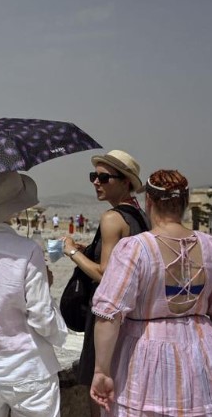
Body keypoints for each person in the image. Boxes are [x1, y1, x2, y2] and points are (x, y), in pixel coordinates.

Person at [90, 169, 212, 415]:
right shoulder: (208, 245)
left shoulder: (135, 248)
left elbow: (108, 315)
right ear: (186, 203)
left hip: (145, 355)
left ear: (149, 202)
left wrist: (101, 371)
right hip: (201, 352)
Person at [0, 171, 67, 417]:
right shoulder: (27, 250)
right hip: (28, 371)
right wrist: (61, 333)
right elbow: (41, 316)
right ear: (17, 205)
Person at [61, 150, 149, 417]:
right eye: (93, 176)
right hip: (133, 317)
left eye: (104, 177)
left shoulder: (111, 218)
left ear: (125, 182)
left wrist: (71, 252)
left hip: (106, 316)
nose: (96, 182)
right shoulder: (140, 216)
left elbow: (105, 275)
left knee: (97, 394)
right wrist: (92, 248)